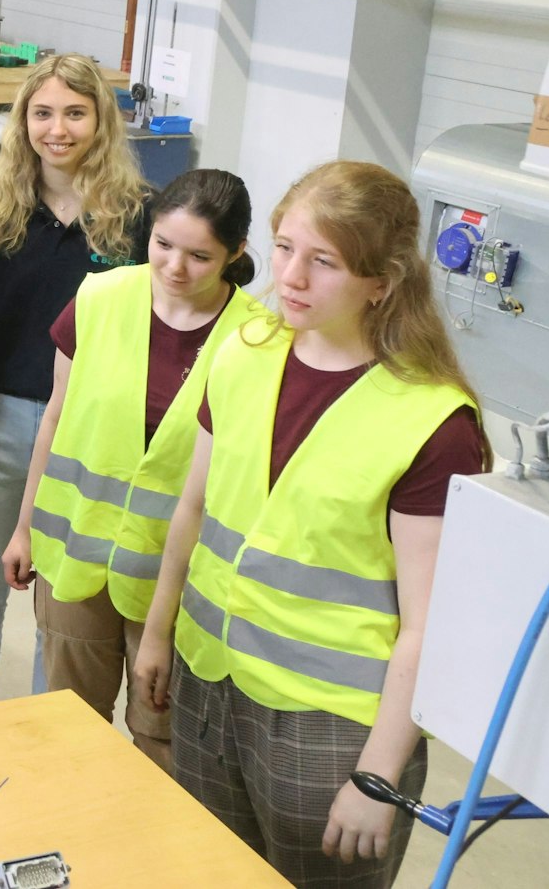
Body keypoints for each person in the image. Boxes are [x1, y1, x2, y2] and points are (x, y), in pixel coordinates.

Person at [134, 161, 489, 888]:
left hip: (330, 730)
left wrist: (377, 777)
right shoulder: (243, 353)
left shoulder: (432, 420)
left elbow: (432, 624)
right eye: (286, 246)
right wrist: (159, 629)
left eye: (322, 260)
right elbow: (195, 506)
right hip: (210, 683)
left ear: (380, 281)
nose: (290, 276)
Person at [0, 169, 266, 773]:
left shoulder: (256, 340)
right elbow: (56, 420)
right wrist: (24, 528)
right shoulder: (99, 298)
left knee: (163, 745)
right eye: (164, 245)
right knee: (69, 736)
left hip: (178, 584)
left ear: (236, 254)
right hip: (75, 561)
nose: (175, 267)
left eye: (200, 256)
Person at [0, 53, 150, 708]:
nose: (57, 128)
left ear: (101, 121)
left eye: (75, 113)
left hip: (90, 438)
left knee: (58, 614)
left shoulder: (138, 218)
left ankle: (38, 730)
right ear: (23, 120)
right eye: (43, 112)